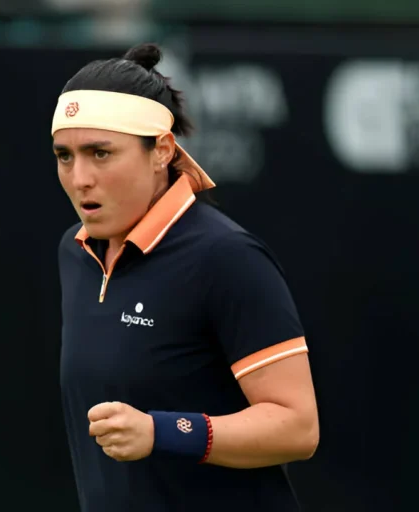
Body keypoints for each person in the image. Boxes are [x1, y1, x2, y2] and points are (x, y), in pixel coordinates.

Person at [53, 42, 319, 511]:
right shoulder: (74, 253)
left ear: (161, 152)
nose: (79, 178)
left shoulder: (226, 257)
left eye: (100, 153)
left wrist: (162, 432)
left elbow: (297, 427)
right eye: (65, 155)